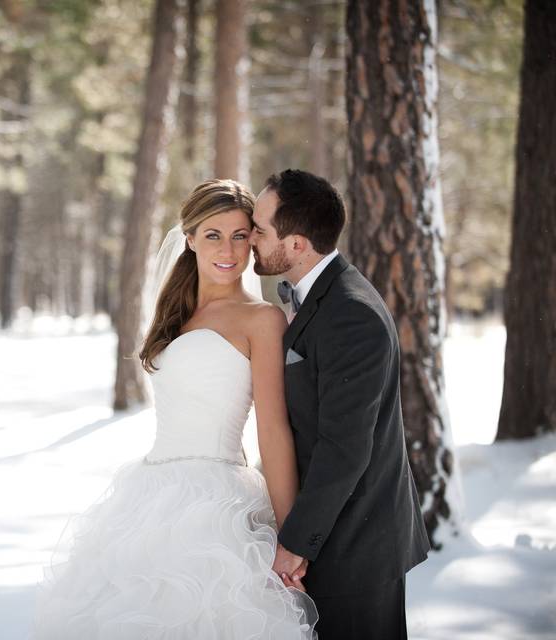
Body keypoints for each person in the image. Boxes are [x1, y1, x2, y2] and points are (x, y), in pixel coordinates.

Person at [31, 179, 317, 639]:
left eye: (240, 235)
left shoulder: (262, 320)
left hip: (215, 502)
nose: (228, 249)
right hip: (149, 496)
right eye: (213, 235)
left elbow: (274, 431)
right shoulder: (177, 314)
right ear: (189, 239)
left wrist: (290, 533)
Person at [249, 169, 430, 639]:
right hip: (336, 536)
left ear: (297, 245)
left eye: (261, 229)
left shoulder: (350, 315)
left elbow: (343, 449)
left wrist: (295, 543)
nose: (250, 236)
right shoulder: (319, 300)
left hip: (356, 548)